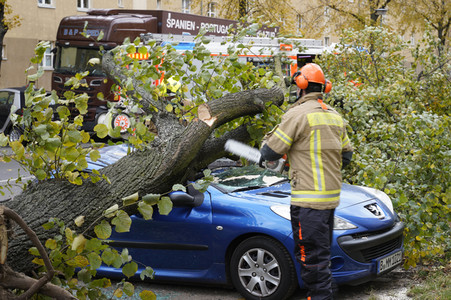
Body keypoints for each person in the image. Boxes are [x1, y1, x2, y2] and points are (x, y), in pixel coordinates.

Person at [260, 63, 353, 300]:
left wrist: (288, 152)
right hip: (330, 201)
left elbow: (270, 152)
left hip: (308, 202)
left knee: (311, 260)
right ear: (324, 88)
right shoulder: (335, 117)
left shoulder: (297, 115)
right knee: (321, 257)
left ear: (301, 85)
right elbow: (346, 156)